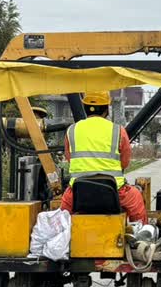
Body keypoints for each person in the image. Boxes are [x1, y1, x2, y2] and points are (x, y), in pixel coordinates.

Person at [59, 91, 147, 224]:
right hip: (114, 190)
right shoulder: (118, 130)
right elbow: (125, 162)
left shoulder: (72, 130)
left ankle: (64, 240)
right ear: (107, 109)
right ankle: (140, 236)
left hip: (78, 191)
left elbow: (70, 158)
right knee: (136, 200)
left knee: (62, 217)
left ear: (85, 108)